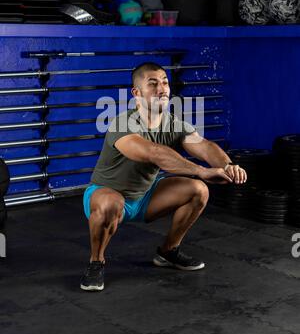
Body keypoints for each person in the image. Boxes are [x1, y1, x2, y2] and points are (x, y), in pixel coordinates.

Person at [80, 62, 247, 291]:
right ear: (136, 93)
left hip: (146, 197)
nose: (162, 89)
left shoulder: (174, 124)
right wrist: (202, 171)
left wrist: (228, 166)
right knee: (111, 203)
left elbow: (204, 146)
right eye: (153, 84)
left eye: (165, 82)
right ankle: (96, 262)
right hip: (106, 196)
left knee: (199, 190)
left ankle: (168, 252)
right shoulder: (123, 123)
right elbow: (153, 153)